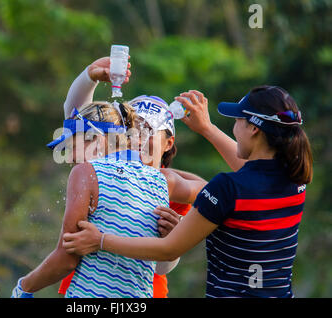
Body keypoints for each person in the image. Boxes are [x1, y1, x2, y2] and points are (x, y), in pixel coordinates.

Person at [62, 86, 313, 298]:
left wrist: (101, 240)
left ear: (254, 129)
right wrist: (207, 129)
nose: (234, 128)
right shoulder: (294, 179)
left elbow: (169, 249)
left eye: (237, 121)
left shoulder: (227, 188)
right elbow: (253, 173)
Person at [57, 58, 206, 298]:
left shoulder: (170, 188)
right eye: (130, 130)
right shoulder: (98, 166)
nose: (136, 138)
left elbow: (162, 265)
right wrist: (89, 76)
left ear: (168, 143)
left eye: (147, 131)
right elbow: (74, 117)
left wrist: (174, 239)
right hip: (83, 292)